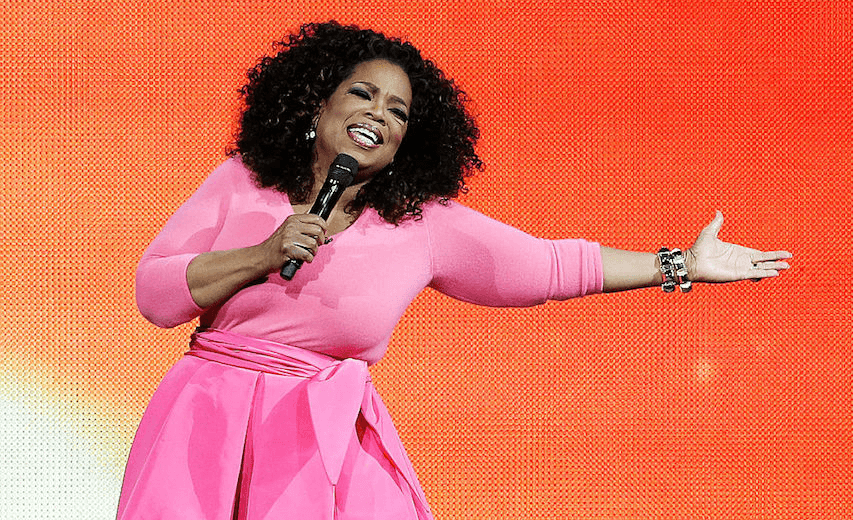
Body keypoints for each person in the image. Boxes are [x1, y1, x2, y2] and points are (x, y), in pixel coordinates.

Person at [118, 21, 791, 520]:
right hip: (204, 424)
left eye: (399, 112)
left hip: (318, 444)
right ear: (315, 104)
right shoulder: (240, 182)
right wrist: (264, 254)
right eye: (363, 95)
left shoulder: (422, 227)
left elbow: (550, 265)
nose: (379, 115)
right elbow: (156, 294)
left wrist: (678, 264)